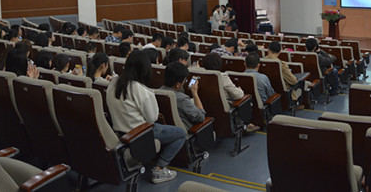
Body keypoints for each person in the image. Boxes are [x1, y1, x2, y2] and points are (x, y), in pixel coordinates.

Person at [107, 51, 185, 184]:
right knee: (181, 134)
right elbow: (152, 118)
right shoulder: (142, 91)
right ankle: (159, 169)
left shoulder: (113, 83)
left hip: (120, 132)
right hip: (140, 134)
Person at [203, 52, 260, 133]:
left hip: (206, 106)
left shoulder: (200, 75)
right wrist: (239, 89)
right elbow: (238, 95)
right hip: (224, 107)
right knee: (246, 98)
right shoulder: (222, 76)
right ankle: (246, 124)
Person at [161, 62, 206, 130]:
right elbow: (201, 117)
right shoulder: (182, 99)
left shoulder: (158, 92)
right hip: (188, 131)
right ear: (178, 85)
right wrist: (195, 93)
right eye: (185, 80)